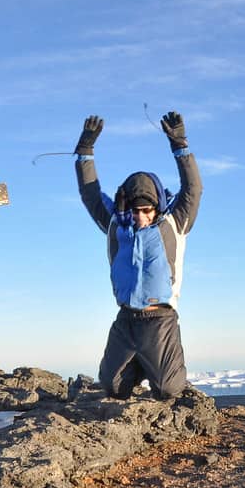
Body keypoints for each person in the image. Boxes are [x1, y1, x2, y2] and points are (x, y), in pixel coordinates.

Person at [74, 111, 202, 399]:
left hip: (160, 320)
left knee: (169, 389)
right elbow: (90, 193)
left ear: (157, 206)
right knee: (113, 387)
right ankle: (141, 365)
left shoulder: (174, 222)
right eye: (135, 210)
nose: (141, 217)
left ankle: (157, 365)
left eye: (147, 210)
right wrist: (85, 152)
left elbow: (193, 189)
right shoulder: (115, 223)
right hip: (126, 320)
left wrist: (180, 145)